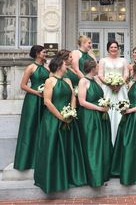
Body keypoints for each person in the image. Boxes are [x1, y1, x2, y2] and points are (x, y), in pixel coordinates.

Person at [34, 57, 87, 194]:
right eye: (64, 65)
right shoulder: (49, 81)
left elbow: (73, 97)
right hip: (53, 120)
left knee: (70, 147)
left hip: (69, 118)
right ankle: (53, 179)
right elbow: (47, 102)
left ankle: (69, 177)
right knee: (54, 148)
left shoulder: (68, 80)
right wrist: (61, 117)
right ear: (58, 67)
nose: (66, 66)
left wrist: (72, 112)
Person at [111, 64, 136, 185]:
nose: (129, 71)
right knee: (127, 143)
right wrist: (125, 107)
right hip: (129, 116)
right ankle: (125, 170)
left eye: (131, 70)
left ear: (135, 72)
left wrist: (130, 110)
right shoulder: (133, 84)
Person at [78, 59, 113, 187]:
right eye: (97, 66)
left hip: (100, 117)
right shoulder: (83, 81)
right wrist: (100, 108)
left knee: (101, 144)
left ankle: (102, 173)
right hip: (89, 117)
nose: (99, 68)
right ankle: (93, 176)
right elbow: (82, 101)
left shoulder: (96, 80)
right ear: (92, 68)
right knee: (92, 144)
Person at [14, 45, 49, 171]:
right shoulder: (30, 67)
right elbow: (23, 85)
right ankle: (26, 160)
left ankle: (39, 158)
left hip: (45, 99)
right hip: (33, 100)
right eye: (44, 52)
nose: (46, 54)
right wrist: (36, 92)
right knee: (30, 127)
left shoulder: (46, 68)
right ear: (37, 53)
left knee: (42, 127)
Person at [98, 40, 129, 145]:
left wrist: (120, 84)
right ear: (108, 49)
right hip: (107, 88)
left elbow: (126, 74)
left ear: (118, 49)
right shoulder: (103, 60)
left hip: (121, 88)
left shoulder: (124, 60)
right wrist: (109, 84)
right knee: (108, 108)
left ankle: (121, 136)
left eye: (115, 47)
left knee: (121, 108)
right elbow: (100, 75)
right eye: (111, 47)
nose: (114, 49)